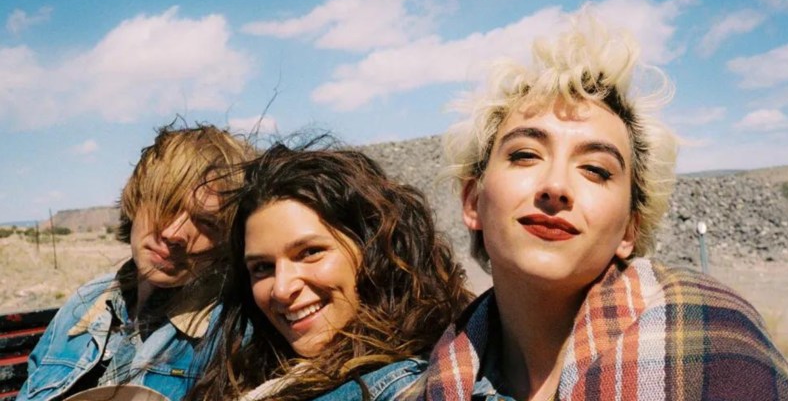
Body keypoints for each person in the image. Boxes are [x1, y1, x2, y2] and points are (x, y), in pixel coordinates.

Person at [400, 14, 788, 400]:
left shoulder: (718, 348)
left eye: (595, 169)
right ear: (473, 201)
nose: (555, 187)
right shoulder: (414, 386)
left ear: (629, 230)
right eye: (524, 154)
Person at [187, 140, 474, 400]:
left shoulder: (408, 388)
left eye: (310, 252)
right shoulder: (258, 372)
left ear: (373, 249)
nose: (283, 289)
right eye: (262, 267)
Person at [18, 124, 254, 401]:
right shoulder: (86, 302)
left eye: (206, 222)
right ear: (135, 200)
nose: (173, 233)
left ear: (227, 242)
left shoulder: (231, 329)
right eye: (165, 204)